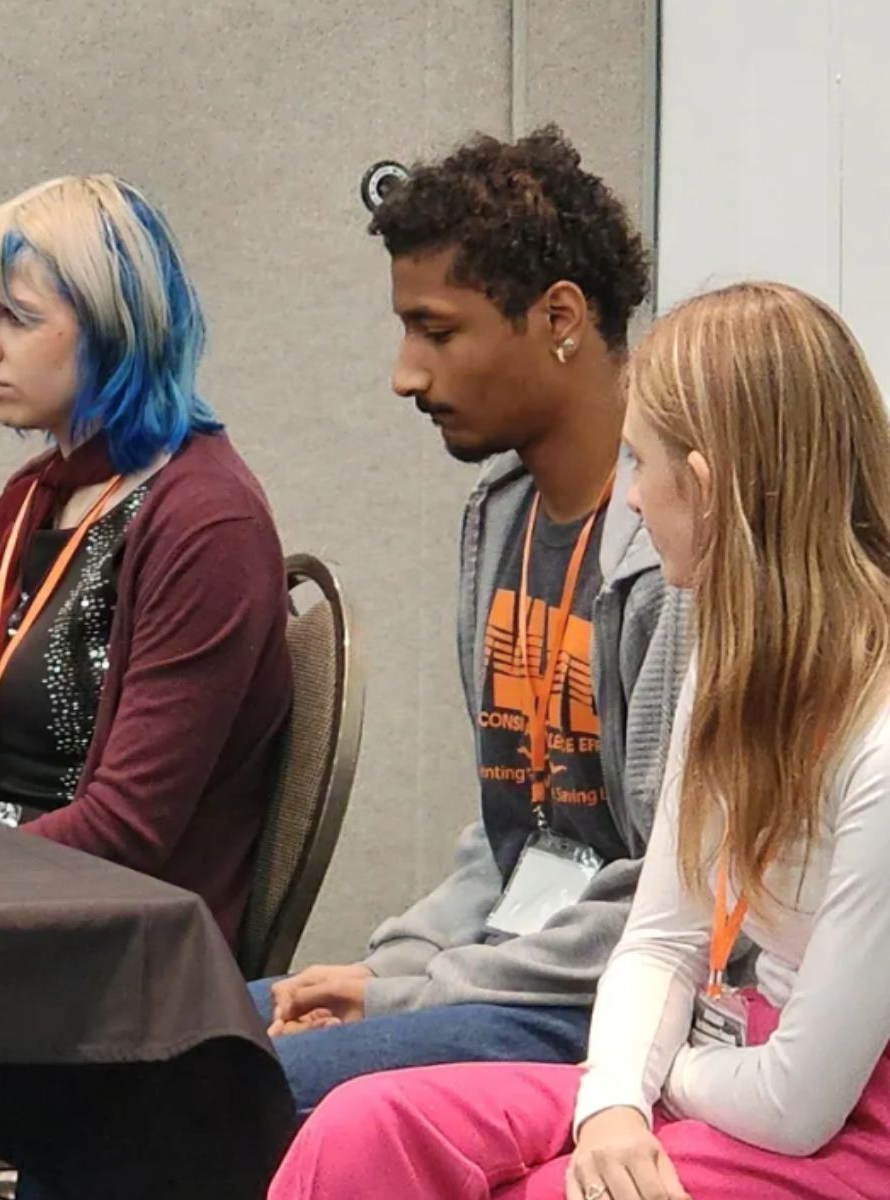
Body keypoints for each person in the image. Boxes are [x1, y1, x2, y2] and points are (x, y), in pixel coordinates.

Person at [272, 280, 890, 1200]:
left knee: (552, 1189)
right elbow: (664, 937)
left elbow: (799, 1103)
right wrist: (612, 1103)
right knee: (367, 1128)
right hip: (721, 1065)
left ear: (710, 490)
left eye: (641, 464)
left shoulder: (876, 738)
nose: (631, 501)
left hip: (832, 1124)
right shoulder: (730, 663)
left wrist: (641, 1085)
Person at [253, 127, 690, 1120]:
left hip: (615, 1005)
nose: (406, 374)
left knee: (235, 1090)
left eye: (437, 331)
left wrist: (416, 994)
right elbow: (515, 832)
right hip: (499, 973)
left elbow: (675, 893)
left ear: (560, 318)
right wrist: (392, 966)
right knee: (167, 1044)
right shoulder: (501, 517)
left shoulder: (675, 551)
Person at [0, 173, 292, 945]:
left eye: (16, 316)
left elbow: (127, 831)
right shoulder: (40, 495)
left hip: (98, 944)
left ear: (114, 332)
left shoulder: (208, 522)